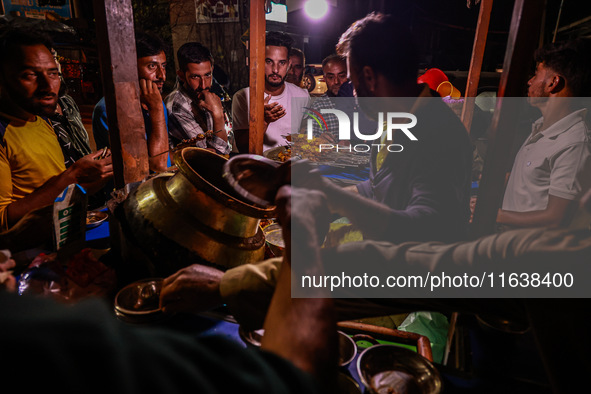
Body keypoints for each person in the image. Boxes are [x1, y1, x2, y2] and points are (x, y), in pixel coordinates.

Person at [159, 12, 473, 324]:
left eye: (350, 80)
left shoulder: (436, 133)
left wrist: (229, 285)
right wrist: (324, 199)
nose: (350, 91)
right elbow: (378, 186)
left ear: (369, 77)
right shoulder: (399, 121)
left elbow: (424, 230)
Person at [0, 185, 335, 394]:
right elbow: (289, 382)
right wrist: (303, 242)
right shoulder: (40, 339)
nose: (6, 260)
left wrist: (226, 285)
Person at [0, 27, 112, 231]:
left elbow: (57, 192)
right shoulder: (3, 132)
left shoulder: (41, 120)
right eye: (30, 75)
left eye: (52, 73)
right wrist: (73, 175)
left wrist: (101, 174)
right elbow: (3, 221)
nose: (48, 85)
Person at [497, 38, 591, 229]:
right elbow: (537, 181)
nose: (530, 81)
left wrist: (494, 215)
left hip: (532, 253)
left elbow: (555, 218)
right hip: (513, 245)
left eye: (536, 73)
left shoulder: (574, 142)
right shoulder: (541, 128)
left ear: (553, 83)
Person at [92, 31, 169, 173]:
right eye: (152, 66)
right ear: (130, 69)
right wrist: (157, 110)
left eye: (163, 66)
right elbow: (157, 165)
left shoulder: (154, 101)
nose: (162, 76)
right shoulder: (108, 109)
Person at [232, 31, 310, 152]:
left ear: (289, 64)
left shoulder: (302, 96)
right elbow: (243, 148)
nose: (275, 69)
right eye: (269, 61)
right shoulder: (243, 97)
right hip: (259, 168)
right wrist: (262, 121)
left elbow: (306, 136)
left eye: (282, 63)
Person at [164, 42, 234, 156]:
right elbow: (215, 156)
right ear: (181, 75)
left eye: (207, 75)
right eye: (195, 76)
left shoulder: (206, 95)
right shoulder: (177, 106)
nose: (203, 84)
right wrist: (217, 114)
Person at [302, 54, 350, 142]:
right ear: (325, 78)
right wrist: (317, 140)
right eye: (331, 77)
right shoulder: (318, 107)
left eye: (342, 76)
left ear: (349, 76)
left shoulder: (360, 103)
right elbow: (309, 140)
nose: (336, 82)